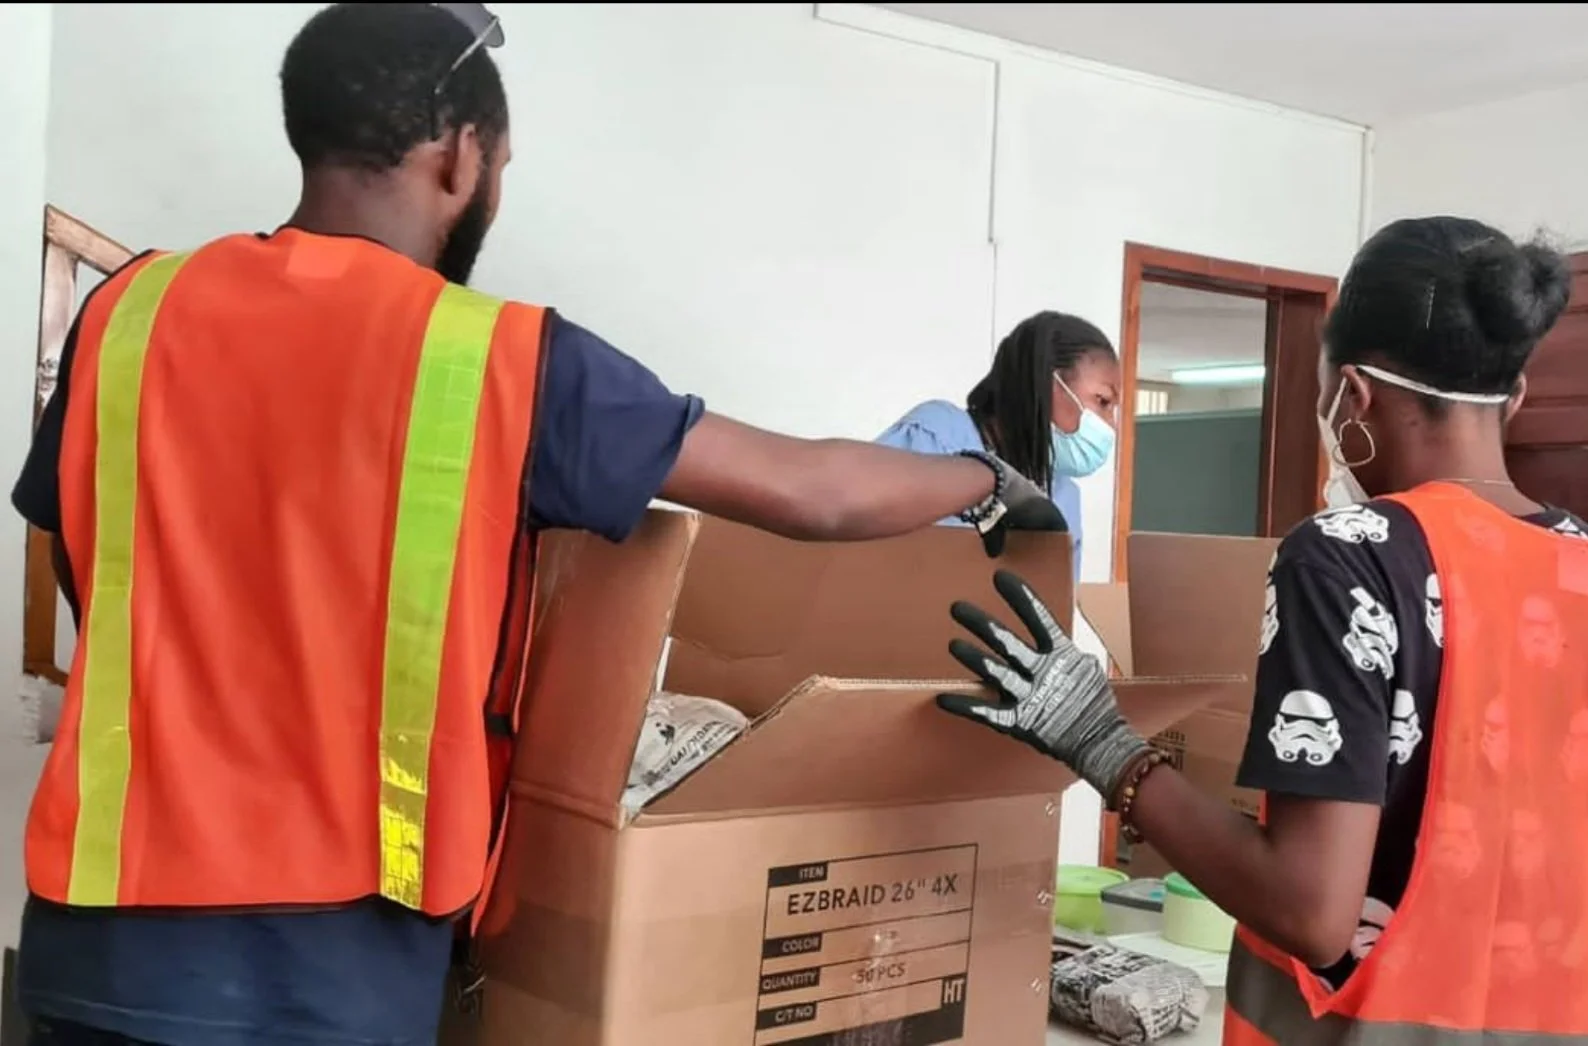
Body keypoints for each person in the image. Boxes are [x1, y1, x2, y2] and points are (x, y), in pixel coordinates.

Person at [10, 5, 1059, 1046]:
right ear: (459, 155)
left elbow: (75, 551)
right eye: (500, 163)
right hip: (331, 959)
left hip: (96, 938)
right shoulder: (497, 358)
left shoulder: (131, 309)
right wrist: (980, 478)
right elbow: (809, 489)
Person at [935, 217, 1588, 1043]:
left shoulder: (1352, 558)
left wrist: (1103, 747)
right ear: (1513, 396)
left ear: (1354, 395)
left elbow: (1311, 912)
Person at [875, 311, 1121, 578]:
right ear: (1045, 383)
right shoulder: (935, 436)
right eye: (1103, 402)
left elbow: (1056, 606)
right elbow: (862, 549)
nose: (1111, 424)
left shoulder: (1063, 497)